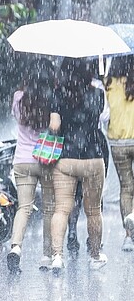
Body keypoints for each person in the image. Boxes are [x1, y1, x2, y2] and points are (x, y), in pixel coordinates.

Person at [49, 58, 107, 272]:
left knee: (62, 209)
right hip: (93, 157)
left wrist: (58, 118)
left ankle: (57, 256)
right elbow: (97, 120)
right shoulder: (98, 94)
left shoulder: (58, 94)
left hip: (66, 158)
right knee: (93, 210)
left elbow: (54, 127)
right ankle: (94, 255)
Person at [6, 59, 56, 273]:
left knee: (23, 208)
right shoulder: (52, 99)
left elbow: (16, 118)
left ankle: (16, 247)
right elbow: (54, 128)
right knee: (48, 209)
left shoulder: (19, 97)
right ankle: (46, 255)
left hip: (22, 159)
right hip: (45, 159)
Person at [105, 54, 134, 251]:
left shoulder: (108, 85)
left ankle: (129, 235)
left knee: (126, 187)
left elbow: (104, 114)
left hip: (118, 143)